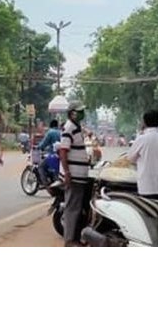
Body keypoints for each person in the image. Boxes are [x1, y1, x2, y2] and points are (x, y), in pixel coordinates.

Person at [58, 100, 92, 247]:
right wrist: (67, 172)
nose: (82, 114)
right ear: (72, 113)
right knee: (72, 208)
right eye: (80, 111)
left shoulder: (76, 127)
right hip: (74, 176)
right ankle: (69, 240)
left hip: (80, 175)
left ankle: (75, 238)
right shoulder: (69, 128)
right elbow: (63, 151)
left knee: (77, 208)